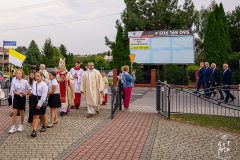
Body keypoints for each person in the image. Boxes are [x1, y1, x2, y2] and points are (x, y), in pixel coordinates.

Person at [8, 69, 31, 134]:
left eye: (19, 73)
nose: (18, 74)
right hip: (16, 97)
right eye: (17, 73)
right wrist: (19, 94)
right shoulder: (14, 81)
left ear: (22, 74)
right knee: (14, 112)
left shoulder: (25, 81)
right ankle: (13, 126)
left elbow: (29, 88)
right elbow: (13, 90)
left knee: (21, 112)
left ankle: (21, 125)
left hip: (22, 97)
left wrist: (26, 93)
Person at [30, 72, 48, 137]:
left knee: (43, 113)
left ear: (41, 77)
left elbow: (44, 96)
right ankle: (34, 131)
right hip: (34, 99)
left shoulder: (44, 85)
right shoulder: (34, 83)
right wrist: (30, 93)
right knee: (35, 115)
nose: (36, 77)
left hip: (41, 100)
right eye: (36, 76)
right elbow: (33, 90)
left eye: (38, 76)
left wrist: (39, 104)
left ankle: (44, 125)